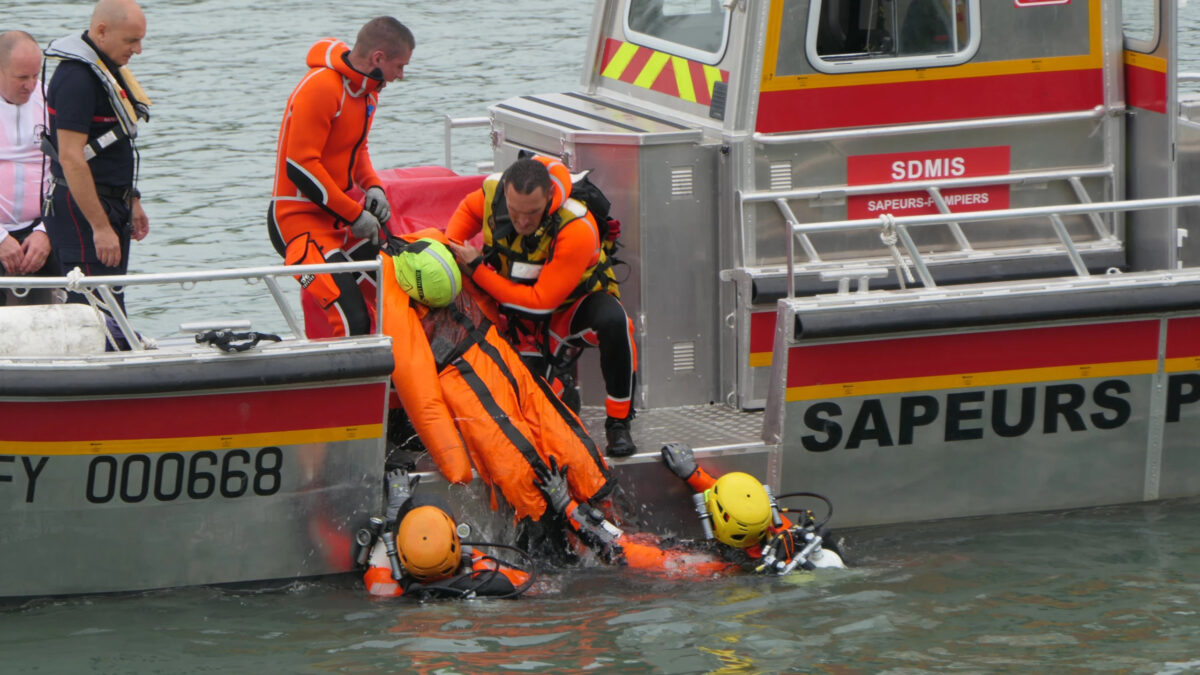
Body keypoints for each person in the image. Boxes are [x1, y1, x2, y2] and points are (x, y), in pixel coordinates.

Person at [379, 228, 617, 557]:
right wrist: (454, 461)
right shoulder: (399, 299)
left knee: (570, 448)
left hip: (493, 353)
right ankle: (579, 533)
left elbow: (421, 393)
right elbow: (420, 392)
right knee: (521, 466)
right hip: (464, 373)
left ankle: (584, 520)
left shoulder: (437, 254)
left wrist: (456, 465)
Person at [444, 155, 640, 458]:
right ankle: (560, 385)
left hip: (568, 311)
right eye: (514, 212)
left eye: (532, 213)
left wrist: (478, 270)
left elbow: (540, 303)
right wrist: (453, 254)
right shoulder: (491, 193)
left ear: (549, 196)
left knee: (616, 322)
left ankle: (618, 422)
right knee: (526, 414)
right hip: (514, 319)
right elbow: (455, 236)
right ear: (506, 193)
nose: (522, 222)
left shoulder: (576, 225)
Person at [268, 17, 413, 339]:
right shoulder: (321, 86)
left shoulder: (368, 95)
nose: (401, 75)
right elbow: (301, 167)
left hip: (339, 221)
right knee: (353, 320)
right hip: (296, 223)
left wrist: (373, 186)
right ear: (378, 58)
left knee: (404, 291)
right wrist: (355, 214)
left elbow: (358, 150)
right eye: (400, 66)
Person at [41, 0, 151, 309]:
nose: (138, 50)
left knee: (114, 300)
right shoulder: (76, 79)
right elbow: (71, 157)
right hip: (83, 212)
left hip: (113, 202)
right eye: (131, 40)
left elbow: (113, 146)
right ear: (102, 31)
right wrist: (100, 227)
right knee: (92, 308)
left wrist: (131, 198)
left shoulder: (106, 71)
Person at [659, 442, 845, 573]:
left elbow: (654, 559)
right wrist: (693, 474)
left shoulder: (718, 567)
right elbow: (733, 496)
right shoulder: (779, 530)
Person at [360, 469, 535, 599]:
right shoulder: (488, 578)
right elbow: (534, 585)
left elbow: (378, 564)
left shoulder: (385, 588)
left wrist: (395, 518)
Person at [0, 30, 56, 304]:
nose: (31, 85)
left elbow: (70, 171)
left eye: (35, 75)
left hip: (40, 229)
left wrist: (46, 232)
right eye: (22, 77)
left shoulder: (50, 100)